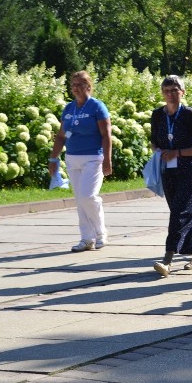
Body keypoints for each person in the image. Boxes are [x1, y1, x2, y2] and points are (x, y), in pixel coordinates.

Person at [150, 75, 192, 277]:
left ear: (182, 92)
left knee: (180, 212)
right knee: (183, 212)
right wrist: (159, 152)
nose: (171, 94)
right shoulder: (158, 115)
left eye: (175, 90)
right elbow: (154, 141)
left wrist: (178, 152)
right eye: (167, 90)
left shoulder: (191, 115)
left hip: (188, 170)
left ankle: (167, 258)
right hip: (168, 171)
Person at [48, 71, 112, 252]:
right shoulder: (69, 109)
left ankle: (100, 232)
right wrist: (53, 158)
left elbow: (106, 135)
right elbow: (62, 136)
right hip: (72, 158)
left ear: (88, 86)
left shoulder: (97, 107)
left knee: (88, 196)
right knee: (79, 199)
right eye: (73, 85)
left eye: (80, 84)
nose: (75, 88)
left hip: (93, 157)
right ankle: (86, 238)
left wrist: (107, 160)